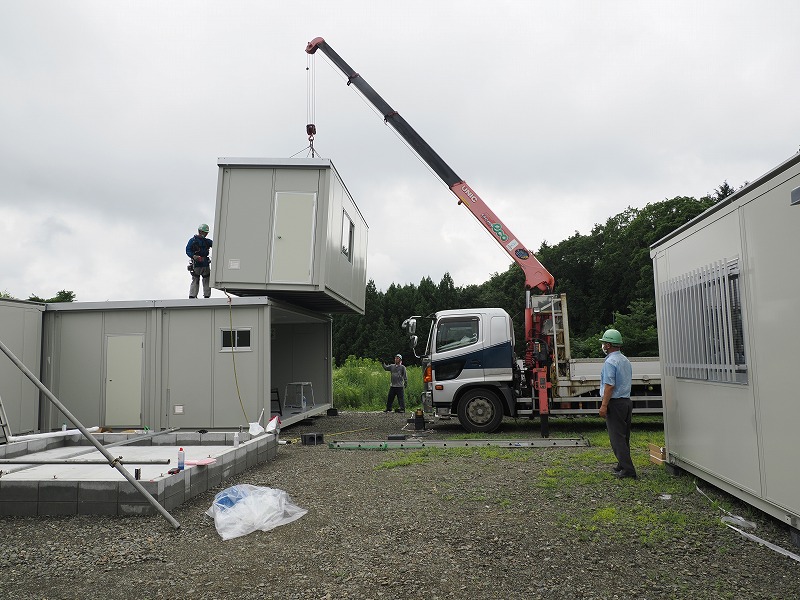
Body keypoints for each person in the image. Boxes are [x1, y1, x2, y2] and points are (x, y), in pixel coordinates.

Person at [598, 328, 637, 479]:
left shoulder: (610, 362)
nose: (603, 346)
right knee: (624, 436)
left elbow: (609, 386)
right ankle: (621, 465)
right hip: (626, 402)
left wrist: (604, 405)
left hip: (615, 403)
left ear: (608, 345)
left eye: (604, 343)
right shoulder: (625, 360)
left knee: (617, 438)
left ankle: (628, 470)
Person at [186, 223, 213, 299]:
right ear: (200, 231)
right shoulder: (193, 241)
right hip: (197, 264)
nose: (206, 234)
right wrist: (194, 256)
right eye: (205, 232)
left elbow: (216, 245)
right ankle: (193, 296)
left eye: (206, 232)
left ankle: (206, 296)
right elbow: (188, 250)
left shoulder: (207, 241)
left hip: (205, 264)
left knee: (206, 279)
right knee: (196, 279)